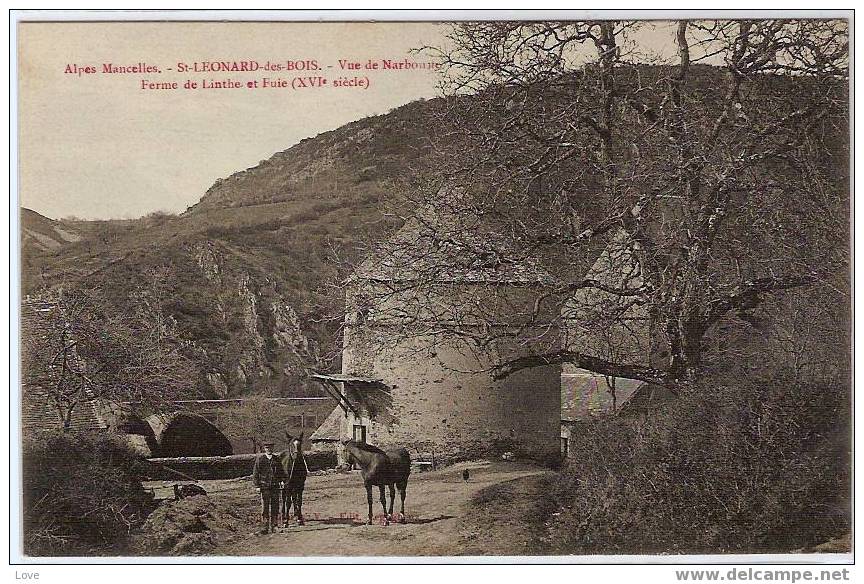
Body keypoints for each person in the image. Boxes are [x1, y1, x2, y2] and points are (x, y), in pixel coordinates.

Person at [252, 441, 286, 534]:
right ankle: (265, 527)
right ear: (264, 449)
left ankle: (274, 526)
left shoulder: (277, 459)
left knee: (275, 507)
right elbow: (255, 473)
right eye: (267, 448)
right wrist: (257, 486)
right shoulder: (260, 459)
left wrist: (282, 480)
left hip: (275, 486)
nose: (269, 449)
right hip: (264, 487)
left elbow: (281, 472)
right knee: (265, 508)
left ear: (273, 448)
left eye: (270, 448)